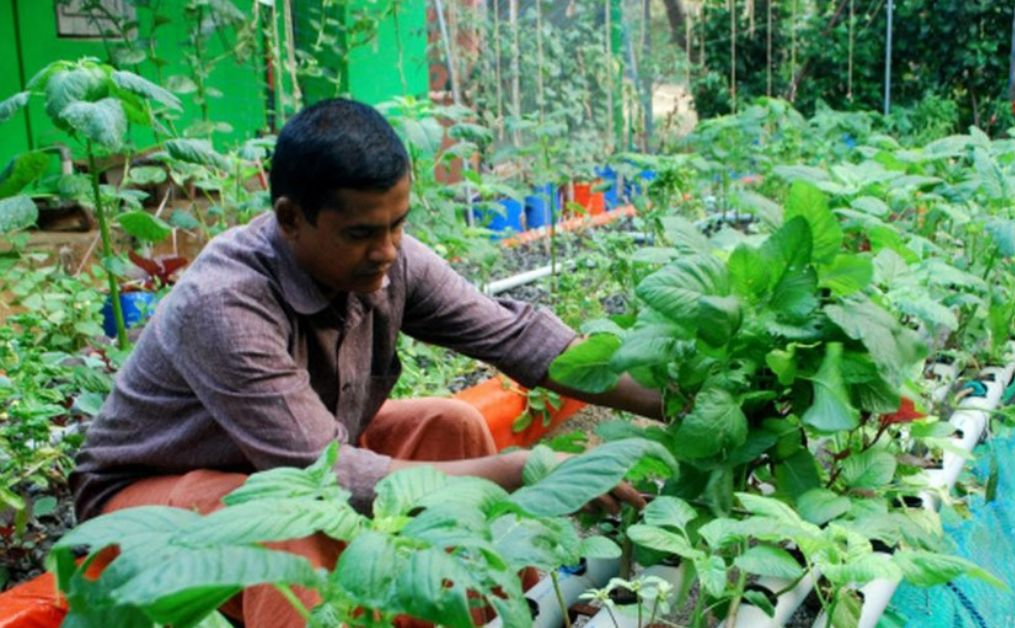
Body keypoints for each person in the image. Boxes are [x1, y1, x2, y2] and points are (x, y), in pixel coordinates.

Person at [69, 98, 661, 627]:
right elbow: (322, 479)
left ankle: (512, 614)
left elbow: (519, 338)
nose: (386, 250)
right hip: (144, 497)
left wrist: (671, 398)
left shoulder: (387, 260)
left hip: (285, 459)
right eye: (360, 233)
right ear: (291, 219)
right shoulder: (224, 304)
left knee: (450, 425)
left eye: (398, 224)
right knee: (286, 525)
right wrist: (529, 468)